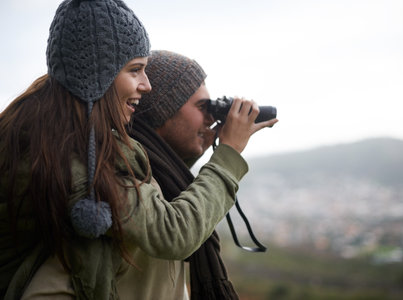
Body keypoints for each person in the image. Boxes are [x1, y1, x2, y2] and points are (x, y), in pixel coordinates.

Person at [0, 1, 270, 300]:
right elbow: (172, 232)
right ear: (97, 75)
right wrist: (229, 151)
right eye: (136, 70)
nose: (147, 85)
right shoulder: (76, 156)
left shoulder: (40, 129)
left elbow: (164, 180)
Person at [128, 50, 278, 299]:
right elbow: (179, 231)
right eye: (201, 106)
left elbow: (173, 173)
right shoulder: (126, 170)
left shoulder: (159, 173)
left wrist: (204, 141)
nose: (210, 117)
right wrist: (229, 152)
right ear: (162, 111)